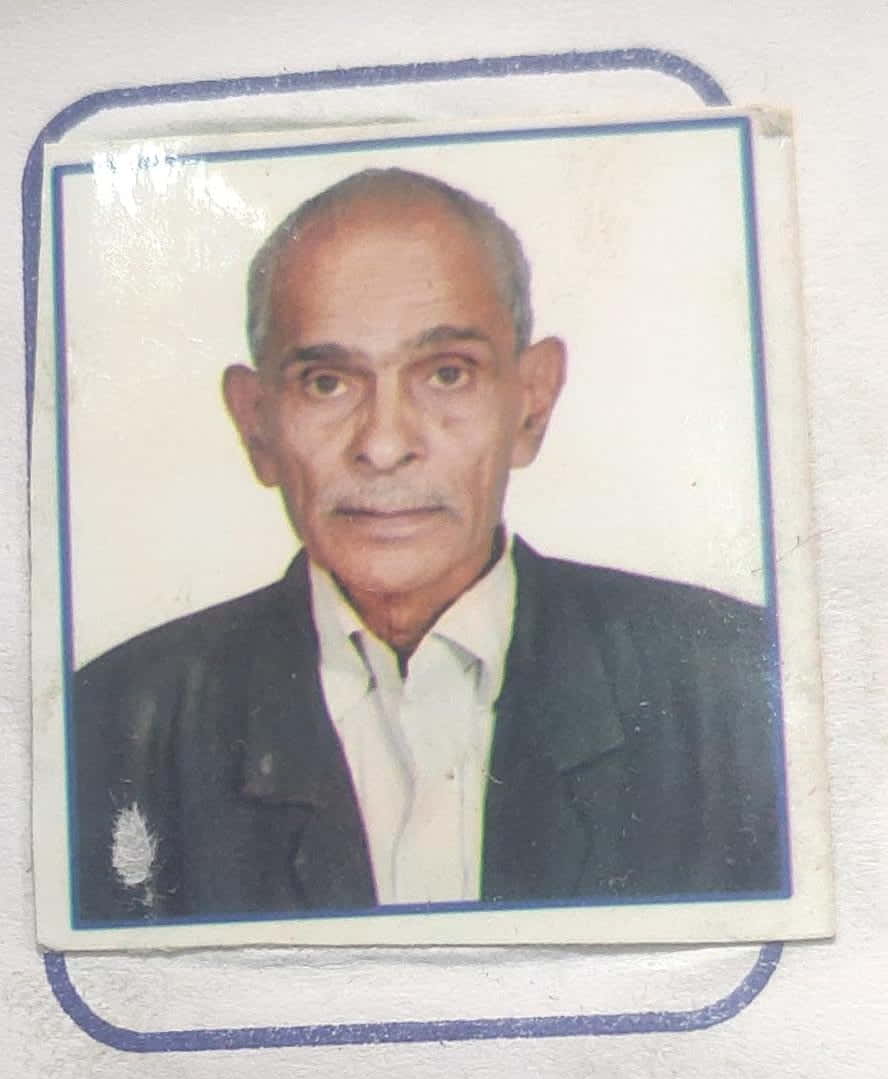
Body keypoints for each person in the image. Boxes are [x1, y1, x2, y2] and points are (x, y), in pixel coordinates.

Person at [74, 167, 784, 925]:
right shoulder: (110, 728)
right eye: (326, 382)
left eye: (447, 374)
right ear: (256, 423)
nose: (384, 445)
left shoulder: (738, 692)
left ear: (532, 402)